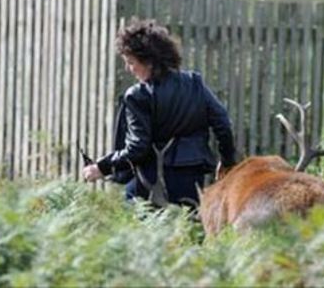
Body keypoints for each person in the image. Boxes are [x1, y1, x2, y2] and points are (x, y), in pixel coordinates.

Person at [81, 18, 236, 208]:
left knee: (137, 231)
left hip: (151, 181)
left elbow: (138, 148)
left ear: (148, 61)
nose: (128, 69)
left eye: (130, 62)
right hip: (192, 177)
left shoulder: (137, 95)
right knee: (190, 232)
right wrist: (227, 161)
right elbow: (223, 124)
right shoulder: (195, 84)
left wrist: (101, 167)